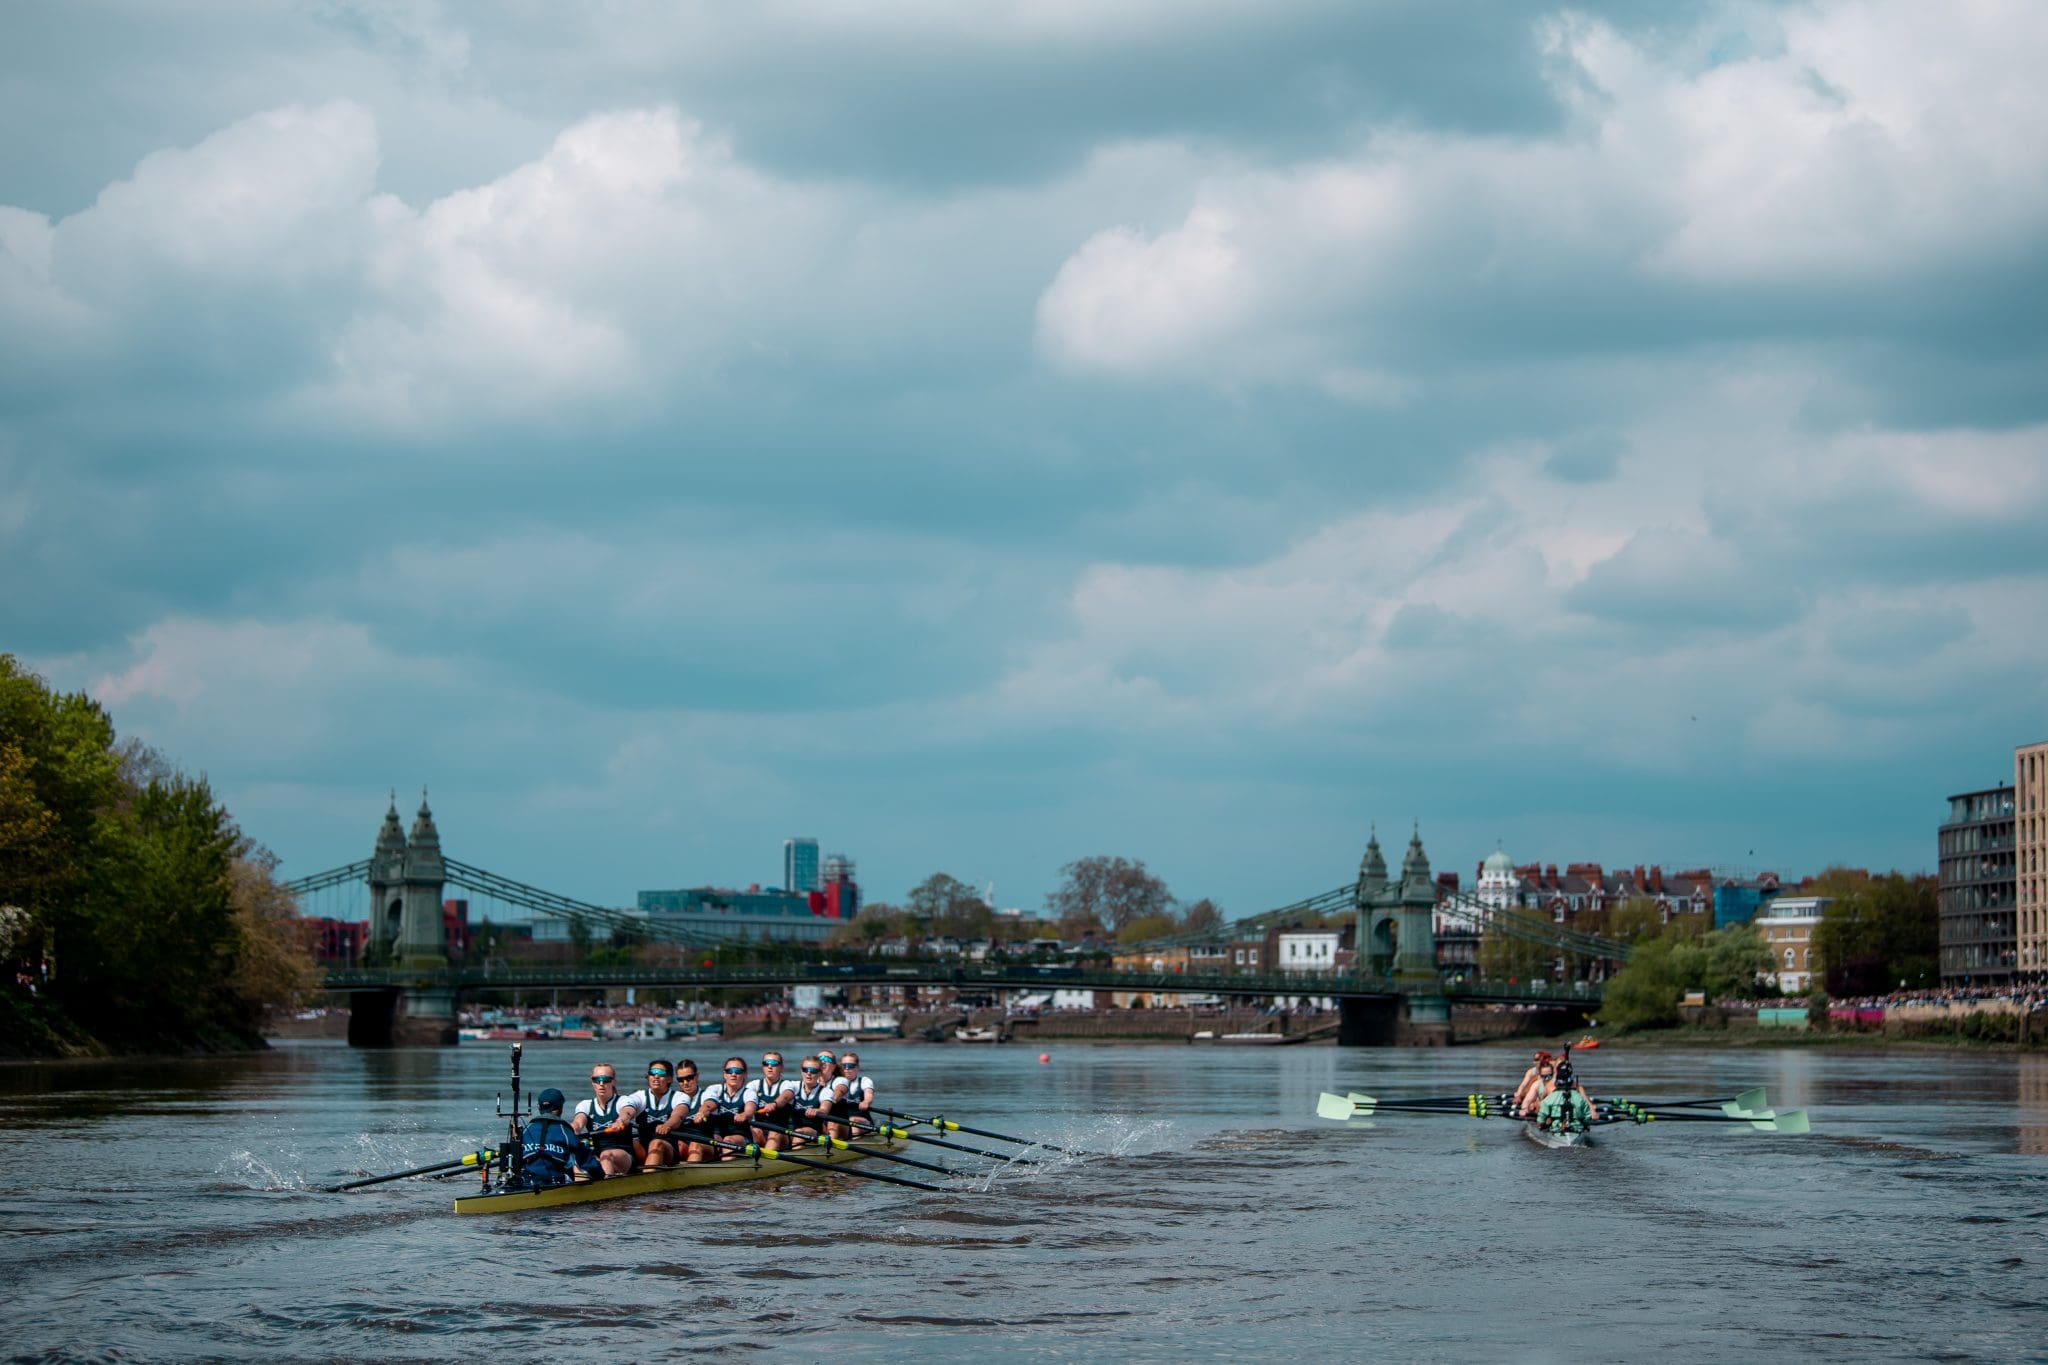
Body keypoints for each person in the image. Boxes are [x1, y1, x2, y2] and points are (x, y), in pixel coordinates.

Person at [514, 1087, 606, 1188]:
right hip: (554, 1182)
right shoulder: (564, 1131)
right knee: (573, 1160)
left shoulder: (527, 1129)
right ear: (561, 1108)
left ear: (539, 1108)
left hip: (527, 1182)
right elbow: (586, 1159)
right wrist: (600, 1175)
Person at [572, 1063, 638, 1176]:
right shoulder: (585, 1105)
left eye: (606, 1080)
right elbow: (578, 1122)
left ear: (614, 1082)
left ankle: (605, 1183)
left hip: (624, 1157)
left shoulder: (623, 1100)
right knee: (575, 1162)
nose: (601, 1084)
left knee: (606, 1155)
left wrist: (620, 1121)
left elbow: (627, 1112)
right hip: (598, 1154)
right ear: (592, 1082)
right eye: (597, 1080)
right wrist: (572, 1129)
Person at [621, 1059, 684, 1171]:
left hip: (668, 1151)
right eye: (652, 1073)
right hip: (643, 1150)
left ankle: (646, 1177)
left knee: (656, 1143)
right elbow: (628, 1109)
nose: (656, 1076)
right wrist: (622, 1120)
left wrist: (667, 1125)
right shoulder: (639, 1096)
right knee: (628, 1142)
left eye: (661, 1073)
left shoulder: (679, 1097)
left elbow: (678, 1115)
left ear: (669, 1079)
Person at [691, 1056, 758, 1158]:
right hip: (717, 1137)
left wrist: (744, 1114)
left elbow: (750, 1110)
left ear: (745, 1075)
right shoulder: (714, 1089)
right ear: (724, 1074)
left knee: (728, 1140)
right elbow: (708, 1104)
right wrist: (702, 1112)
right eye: (729, 1071)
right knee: (696, 1144)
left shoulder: (749, 1093)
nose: (733, 1074)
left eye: (738, 1071)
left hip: (741, 1137)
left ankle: (727, 1165)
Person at [745, 1051, 798, 1152]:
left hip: (782, 1133)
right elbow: (746, 1100)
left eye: (774, 1063)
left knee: (774, 1133)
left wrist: (775, 1104)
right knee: (753, 1131)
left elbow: (786, 1096)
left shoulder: (787, 1084)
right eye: (766, 1063)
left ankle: (766, 1159)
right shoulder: (753, 1085)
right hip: (761, 1132)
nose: (770, 1066)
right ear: (763, 1067)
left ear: (781, 1068)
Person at [786, 1054, 836, 1148]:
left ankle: (795, 1154)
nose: (808, 1073)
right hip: (789, 1130)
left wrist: (817, 1111)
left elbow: (824, 1110)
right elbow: (783, 1097)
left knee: (799, 1132)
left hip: (813, 1132)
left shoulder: (826, 1091)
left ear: (820, 1073)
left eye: (813, 1071)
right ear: (801, 1071)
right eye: (805, 1070)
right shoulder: (792, 1086)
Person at [1535, 1059, 1596, 1135]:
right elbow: (1587, 1118)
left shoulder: (1549, 1099)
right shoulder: (1580, 1098)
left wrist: (1542, 1125)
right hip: (1577, 1130)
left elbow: (1540, 1120)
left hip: (1556, 1130)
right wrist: (1585, 1124)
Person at [835, 1052, 875, 1136]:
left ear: (857, 1067)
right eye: (844, 1066)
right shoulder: (835, 1082)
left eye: (850, 1066)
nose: (846, 1069)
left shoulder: (864, 1081)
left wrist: (866, 1102)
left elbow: (869, 1094)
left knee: (853, 1120)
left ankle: (855, 1141)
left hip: (863, 1121)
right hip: (843, 1122)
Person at [1512, 1050, 1554, 1116]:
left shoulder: (1556, 1084)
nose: (1547, 1079)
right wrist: (1524, 1108)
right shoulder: (1536, 1083)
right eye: (1544, 1076)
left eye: (1549, 1076)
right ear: (1540, 1075)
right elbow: (1527, 1099)